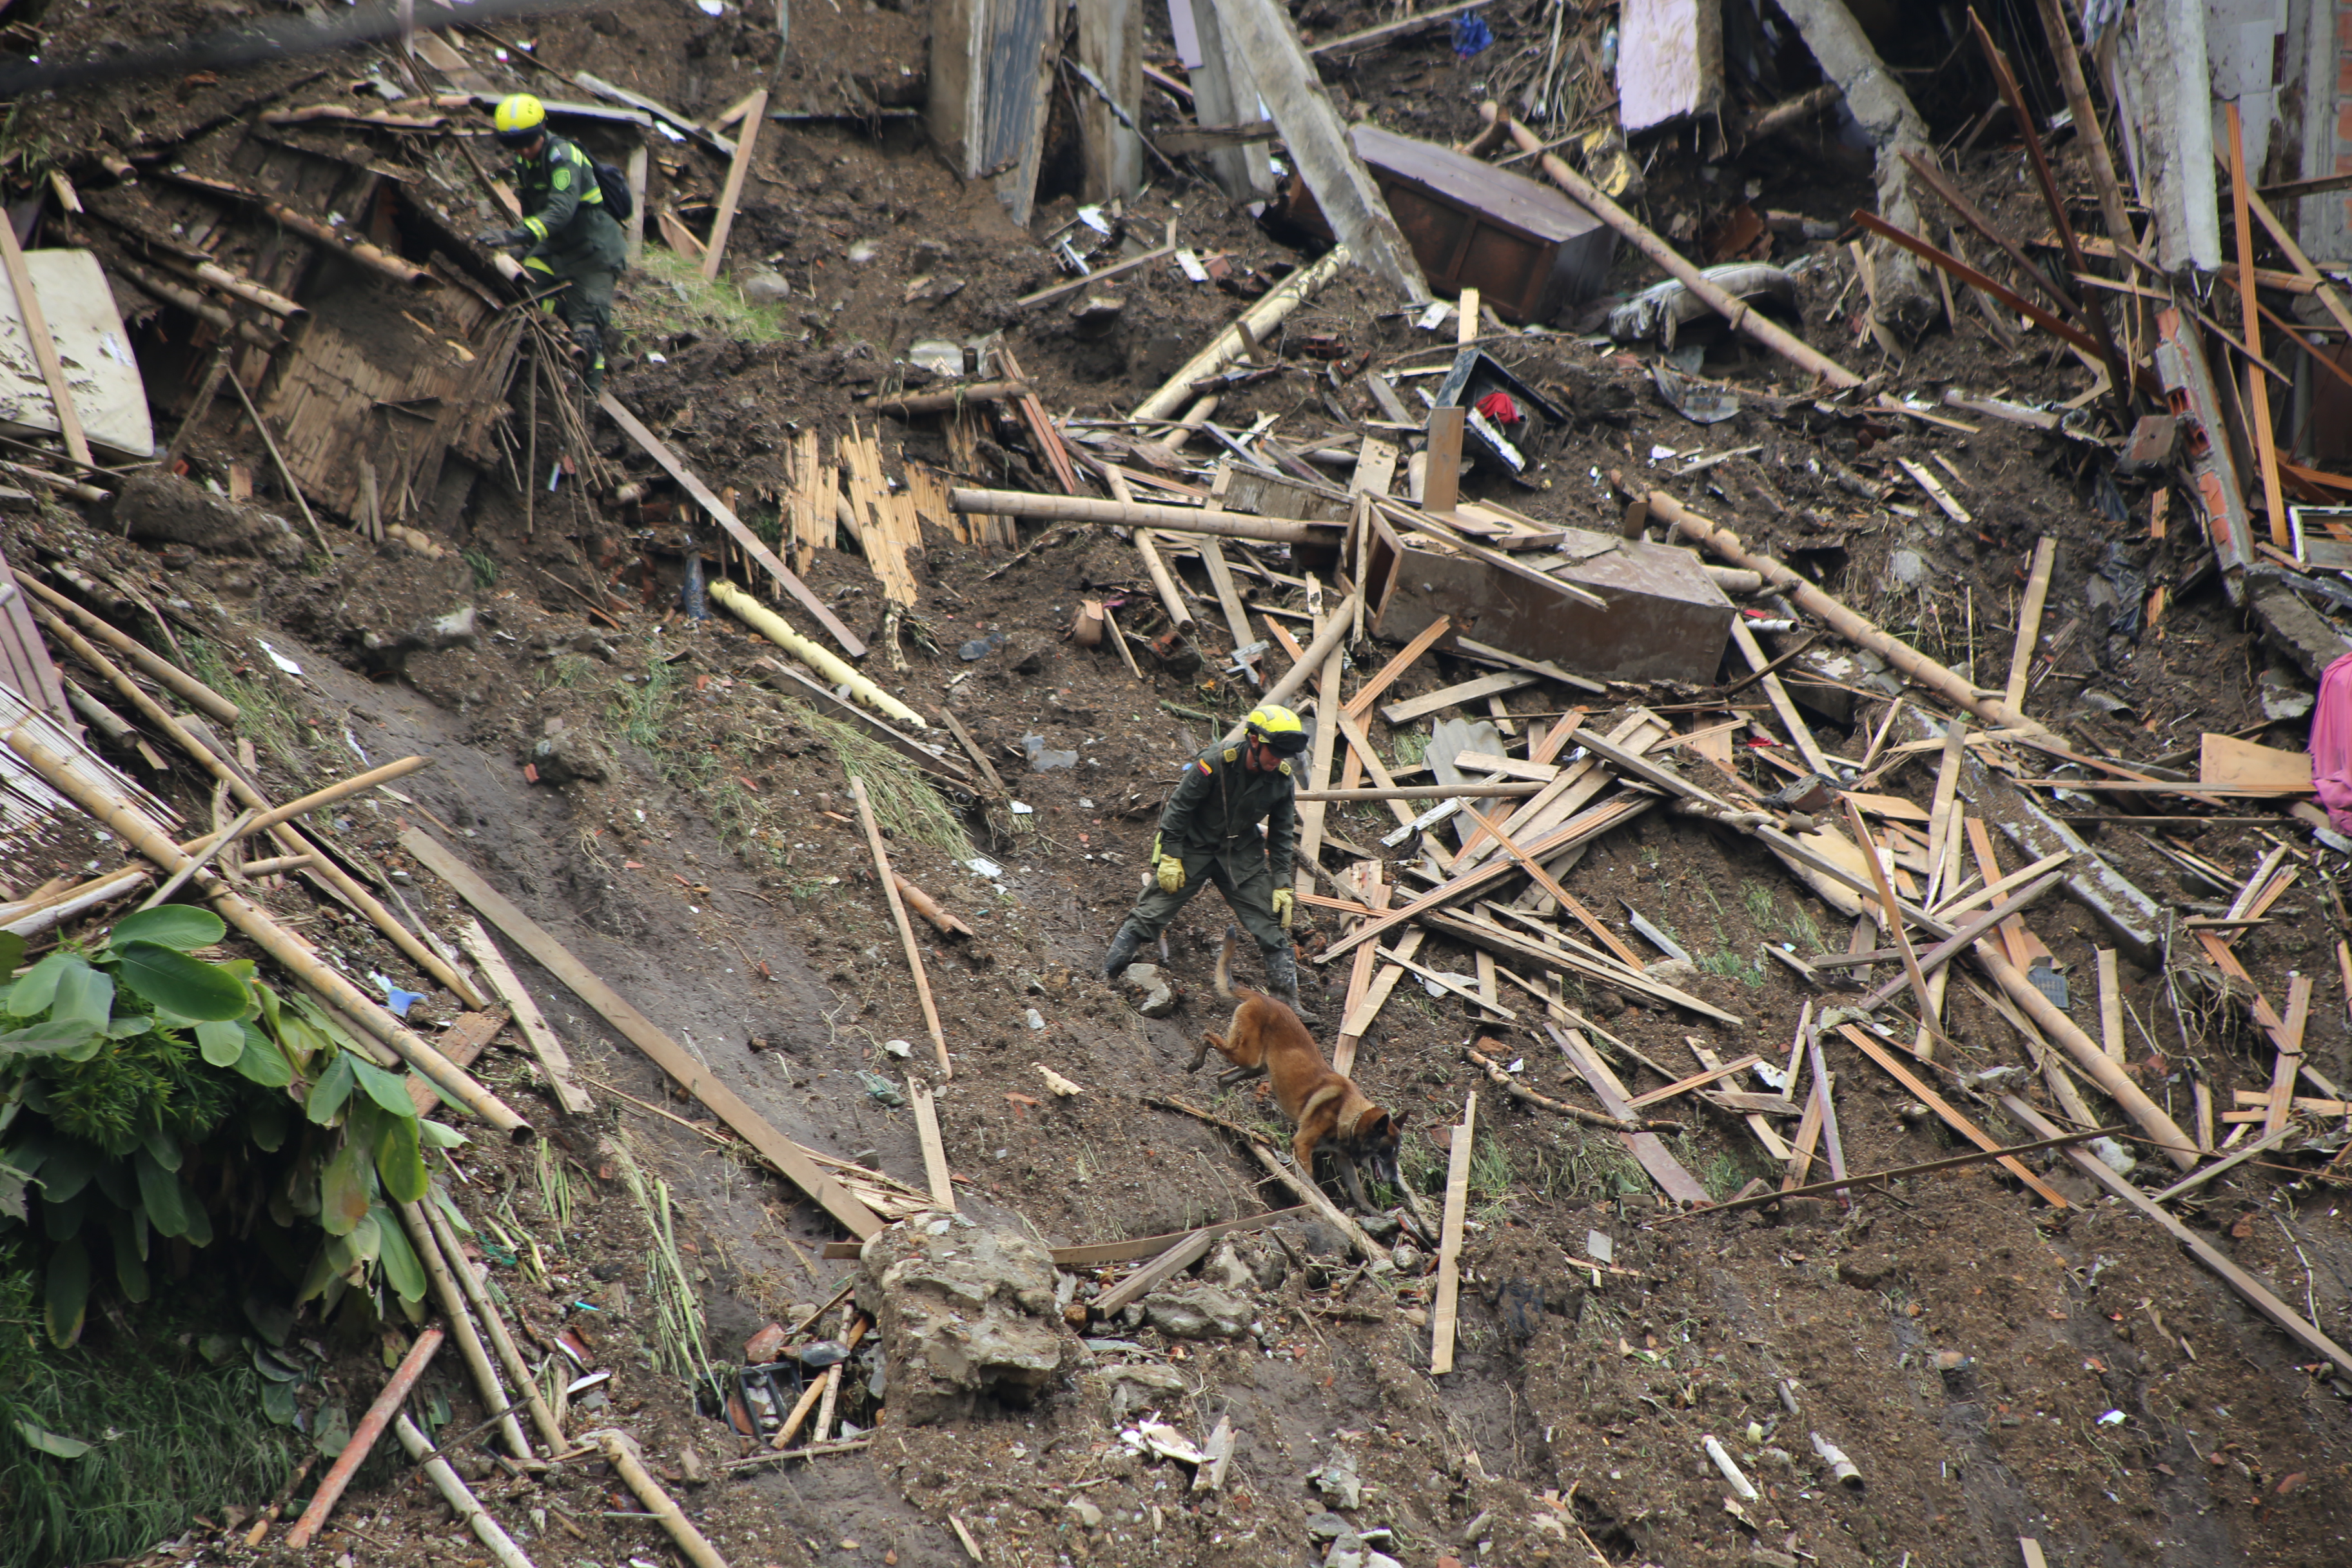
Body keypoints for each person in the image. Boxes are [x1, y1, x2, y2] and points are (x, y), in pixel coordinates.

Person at [1102, 704, 1311, 1009]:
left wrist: (1282, 883)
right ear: (1255, 740)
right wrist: (1171, 856)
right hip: (1192, 849)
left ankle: (1288, 1007)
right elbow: (1178, 808)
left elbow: (1281, 835)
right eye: (1274, 751)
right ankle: (1107, 976)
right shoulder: (1215, 762)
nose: (1278, 759)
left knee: (1271, 925)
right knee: (1151, 913)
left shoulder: (1281, 779)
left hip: (1241, 856)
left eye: (1284, 755)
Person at [472, 94, 628, 396]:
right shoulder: (524, 162)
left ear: (544, 129)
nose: (524, 150)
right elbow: (532, 210)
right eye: (515, 145)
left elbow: (561, 210)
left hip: (593, 252)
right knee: (521, 293)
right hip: (554, 248)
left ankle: (590, 398)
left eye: (529, 142)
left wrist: (515, 236)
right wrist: (522, 247)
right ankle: (559, 320)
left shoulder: (564, 157)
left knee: (587, 334)